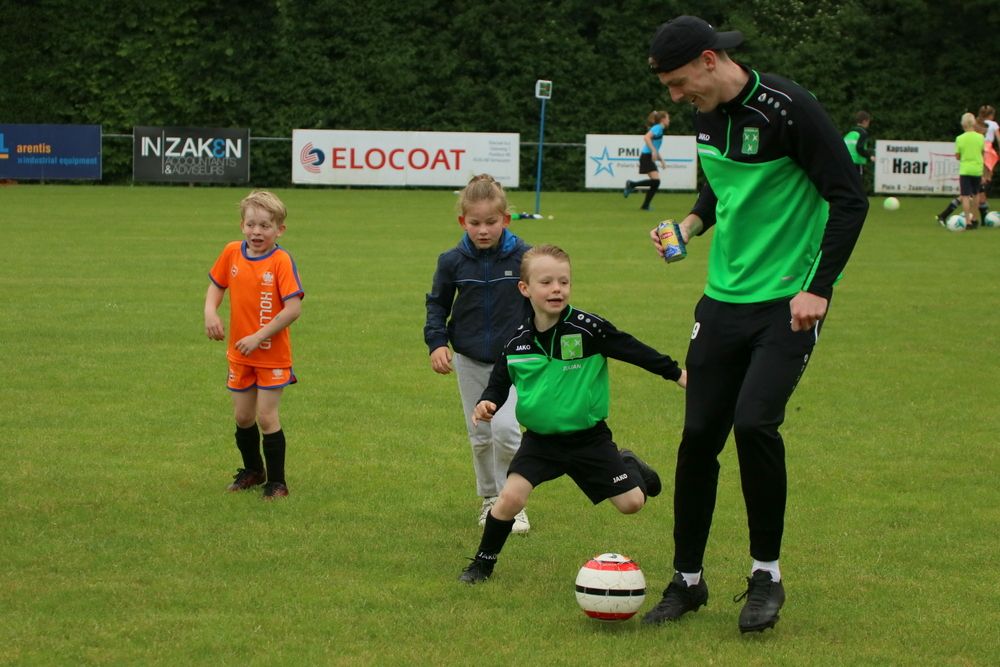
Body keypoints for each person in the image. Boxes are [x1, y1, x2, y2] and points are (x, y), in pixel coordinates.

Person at [642, 15, 868, 633]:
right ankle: (686, 582)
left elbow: (850, 198)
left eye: (682, 82)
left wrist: (817, 289)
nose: (677, 96)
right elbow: (722, 192)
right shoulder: (706, 114)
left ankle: (766, 575)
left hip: (785, 305)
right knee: (697, 440)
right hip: (722, 300)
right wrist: (687, 227)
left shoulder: (791, 108)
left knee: (754, 423)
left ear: (712, 60)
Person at [457, 244, 687, 584]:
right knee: (509, 499)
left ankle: (629, 464)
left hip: (589, 440)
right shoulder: (517, 342)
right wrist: (487, 402)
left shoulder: (588, 329)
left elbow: (636, 350)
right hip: (540, 442)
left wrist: (679, 375)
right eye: (546, 282)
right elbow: (498, 384)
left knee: (632, 504)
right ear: (525, 289)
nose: (556, 289)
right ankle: (481, 565)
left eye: (563, 282)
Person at [425, 174, 532, 533]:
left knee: (507, 432)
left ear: (505, 219)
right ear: (463, 222)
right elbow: (437, 305)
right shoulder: (452, 261)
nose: (483, 230)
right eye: (475, 223)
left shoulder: (525, 258)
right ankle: (491, 498)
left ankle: (511, 500)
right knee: (482, 434)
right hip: (470, 360)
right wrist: (437, 342)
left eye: (491, 222)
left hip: (516, 361)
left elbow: (544, 303)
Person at [204, 190, 304, 499]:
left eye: (265, 226)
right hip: (240, 353)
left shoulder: (281, 261)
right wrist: (211, 312)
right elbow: (217, 285)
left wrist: (259, 336)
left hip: (271, 355)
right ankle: (252, 470)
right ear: (242, 225)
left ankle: (277, 483)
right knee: (243, 417)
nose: (257, 232)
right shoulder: (232, 252)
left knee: (266, 416)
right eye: (251, 225)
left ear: (279, 229)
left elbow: (292, 309)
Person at [938, 110, 991, 227]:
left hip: (965, 170)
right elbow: (982, 153)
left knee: (966, 196)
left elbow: (957, 156)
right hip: (977, 169)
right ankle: (975, 218)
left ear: (963, 124)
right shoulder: (980, 137)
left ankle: (967, 221)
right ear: (974, 124)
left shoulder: (959, 138)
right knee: (976, 194)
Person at [624, 110, 671, 211]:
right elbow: (646, 137)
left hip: (648, 156)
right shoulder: (658, 127)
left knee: (655, 182)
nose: (669, 120)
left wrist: (661, 159)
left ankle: (645, 205)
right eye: (668, 118)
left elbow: (654, 145)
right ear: (663, 120)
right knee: (656, 181)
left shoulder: (660, 129)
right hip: (647, 156)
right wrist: (654, 151)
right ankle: (632, 184)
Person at [843, 110, 875, 177]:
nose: (868, 124)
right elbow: (859, 148)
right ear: (864, 121)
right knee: (858, 183)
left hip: (846, 162)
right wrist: (870, 156)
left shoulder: (850, 133)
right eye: (868, 122)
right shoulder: (863, 133)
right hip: (856, 162)